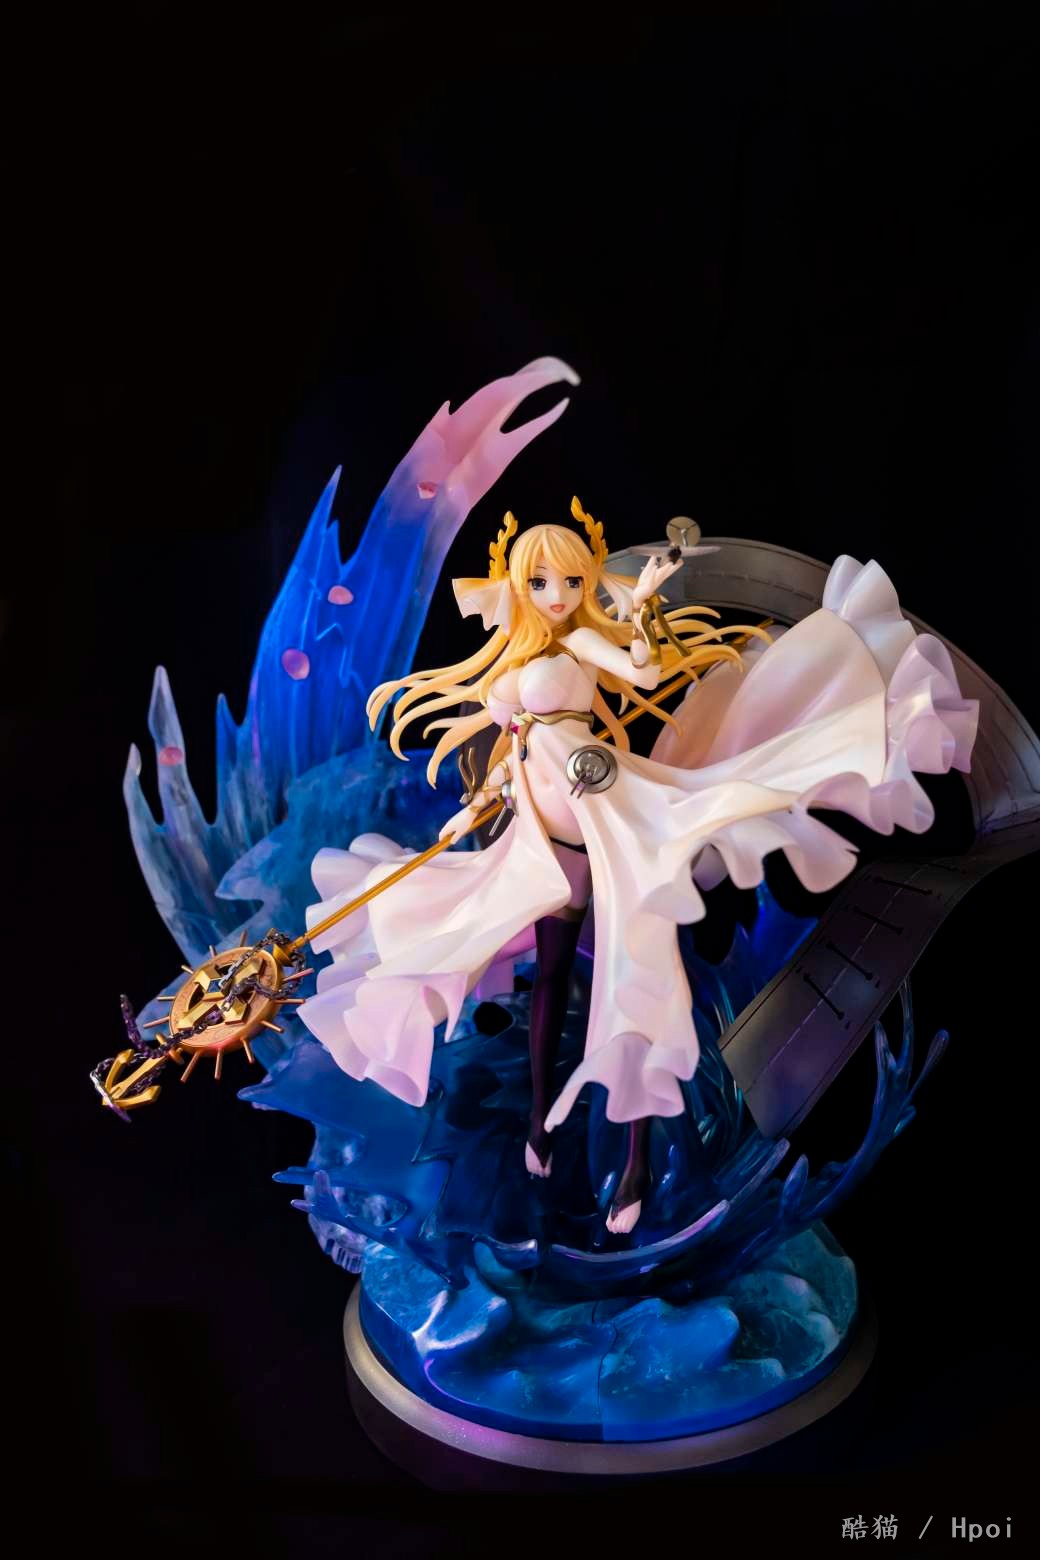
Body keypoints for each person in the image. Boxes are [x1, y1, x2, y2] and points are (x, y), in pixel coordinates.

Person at [298, 499, 977, 1233]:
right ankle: (540, 1124)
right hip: (541, 842)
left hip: (611, 818)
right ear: (521, 587)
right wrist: (475, 810)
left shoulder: (583, 645)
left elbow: (641, 670)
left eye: (571, 582)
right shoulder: (519, 660)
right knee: (544, 970)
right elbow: (515, 753)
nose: (558, 596)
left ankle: (636, 1171)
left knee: (635, 983)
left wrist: (646, 604)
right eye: (542, 583)